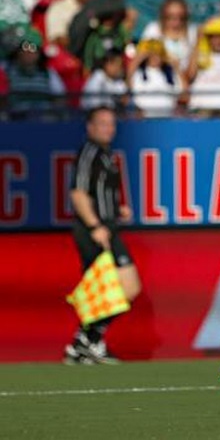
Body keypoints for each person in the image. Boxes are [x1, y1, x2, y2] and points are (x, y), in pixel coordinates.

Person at [65, 106, 142, 364]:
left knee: (121, 288)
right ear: (90, 127)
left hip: (107, 228)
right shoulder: (90, 152)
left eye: (111, 124)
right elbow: (78, 193)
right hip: (95, 231)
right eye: (102, 123)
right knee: (121, 287)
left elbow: (99, 191)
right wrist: (95, 225)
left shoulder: (106, 154)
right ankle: (86, 341)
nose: (108, 128)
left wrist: (117, 209)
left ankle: (85, 342)